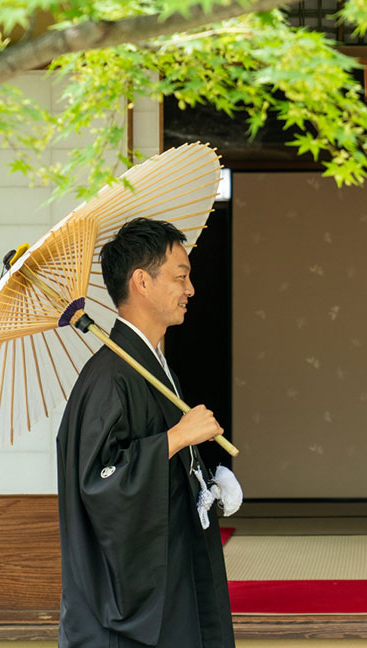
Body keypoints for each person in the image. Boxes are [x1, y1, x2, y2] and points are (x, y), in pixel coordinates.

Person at [57, 217, 237, 648]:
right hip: (133, 603)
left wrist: (208, 484)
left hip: (175, 566)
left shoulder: (149, 365)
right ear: (142, 281)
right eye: (181, 277)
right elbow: (99, 485)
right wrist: (176, 439)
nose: (190, 290)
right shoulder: (109, 377)